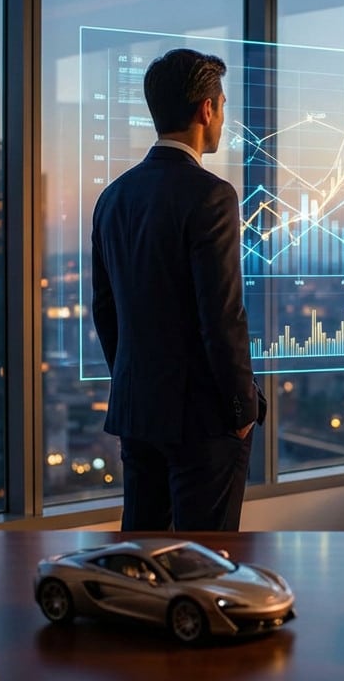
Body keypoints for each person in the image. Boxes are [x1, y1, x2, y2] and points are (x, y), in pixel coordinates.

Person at [91, 48, 265, 532]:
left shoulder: (113, 198)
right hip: (203, 420)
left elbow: (105, 311)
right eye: (223, 106)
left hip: (138, 409)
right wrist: (239, 409)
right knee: (207, 558)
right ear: (205, 109)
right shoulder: (211, 195)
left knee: (142, 555)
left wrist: (136, 381)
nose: (224, 119)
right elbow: (222, 316)